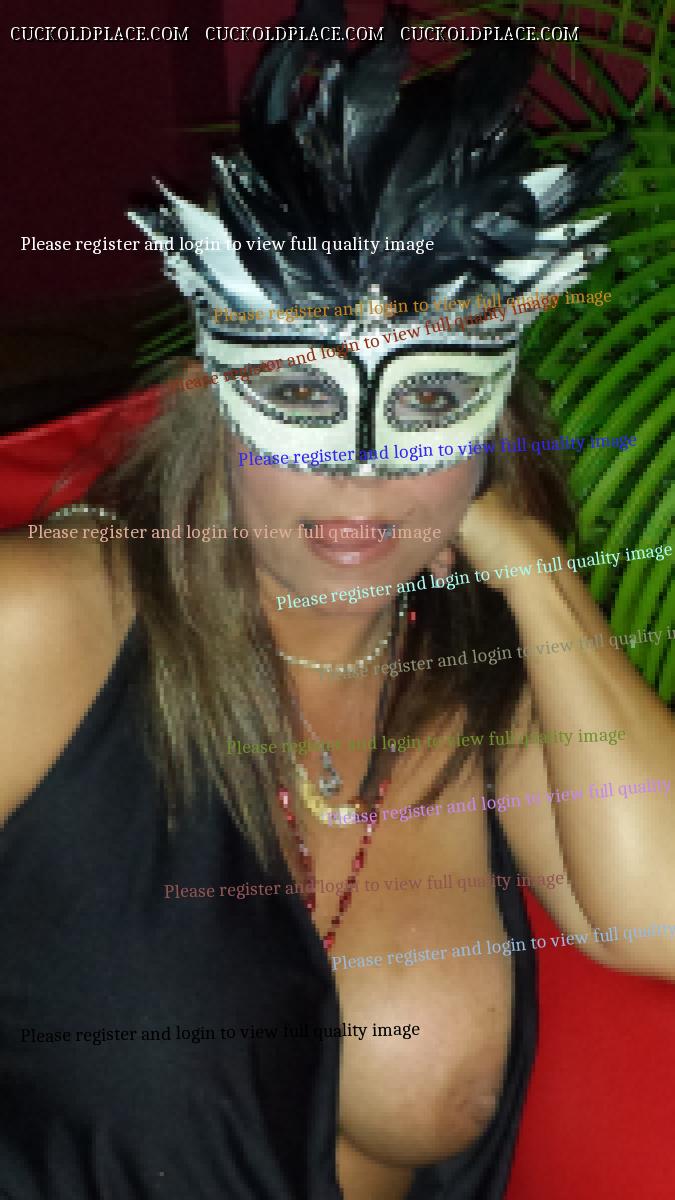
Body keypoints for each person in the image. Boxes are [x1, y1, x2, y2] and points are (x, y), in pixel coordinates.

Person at [1, 15, 672, 1200]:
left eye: (430, 402)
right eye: (304, 395)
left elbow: (660, 919)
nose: (362, 472)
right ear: (211, 396)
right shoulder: (49, 620)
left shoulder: (479, 674)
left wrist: (526, 560)